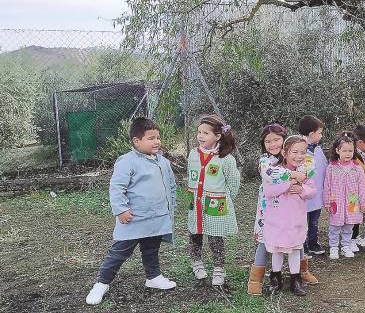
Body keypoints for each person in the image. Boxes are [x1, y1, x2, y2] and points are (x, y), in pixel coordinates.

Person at [86, 117, 177, 305]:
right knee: (119, 252)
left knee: (152, 249)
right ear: (137, 141)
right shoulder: (127, 161)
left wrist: (171, 206)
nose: (157, 142)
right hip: (134, 219)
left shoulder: (163, 162)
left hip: (156, 218)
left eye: (158, 137)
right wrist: (121, 210)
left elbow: (171, 186)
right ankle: (101, 283)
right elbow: (116, 187)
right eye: (151, 138)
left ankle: (153, 277)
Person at [248, 123, 318, 296]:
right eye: (268, 141)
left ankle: (300, 274)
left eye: (277, 140)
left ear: (284, 141)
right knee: (268, 241)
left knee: (295, 242)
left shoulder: (297, 156)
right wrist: (294, 178)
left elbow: (310, 175)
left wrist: (302, 182)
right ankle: (258, 279)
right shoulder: (266, 160)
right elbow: (269, 178)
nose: (273, 144)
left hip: (293, 213)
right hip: (269, 208)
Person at [186, 115, 240, 287]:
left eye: (205, 133)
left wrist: (225, 200)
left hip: (216, 203)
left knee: (216, 237)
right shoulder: (193, 154)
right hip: (196, 202)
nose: (200, 136)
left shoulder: (226, 159)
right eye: (199, 132)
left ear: (217, 136)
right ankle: (197, 262)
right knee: (195, 234)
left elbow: (233, 184)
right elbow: (191, 176)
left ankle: (219, 268)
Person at [323, 132, 365, 259]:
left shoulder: (357, 168)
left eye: (350, 150)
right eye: (345, 150)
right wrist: (327, 202)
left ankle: (346, 246)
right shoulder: (331, 168)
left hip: (352, 199)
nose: (348, 153)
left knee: (349, 224)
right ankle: (333, 247)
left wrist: (364, 202)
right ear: (338, 150)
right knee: (335, 225)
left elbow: (362, 186)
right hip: (335, 200)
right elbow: (327, 186)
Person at [298, 115, 328, 255]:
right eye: (320, 133)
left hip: (318, 192)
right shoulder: (300, 150)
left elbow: (324, 167)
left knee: (314, 221)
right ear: (311, 133)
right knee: (302, 221)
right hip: (303, 193)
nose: (321, 135)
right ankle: (302, 245)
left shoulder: (318, 149)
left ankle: (313, 243)